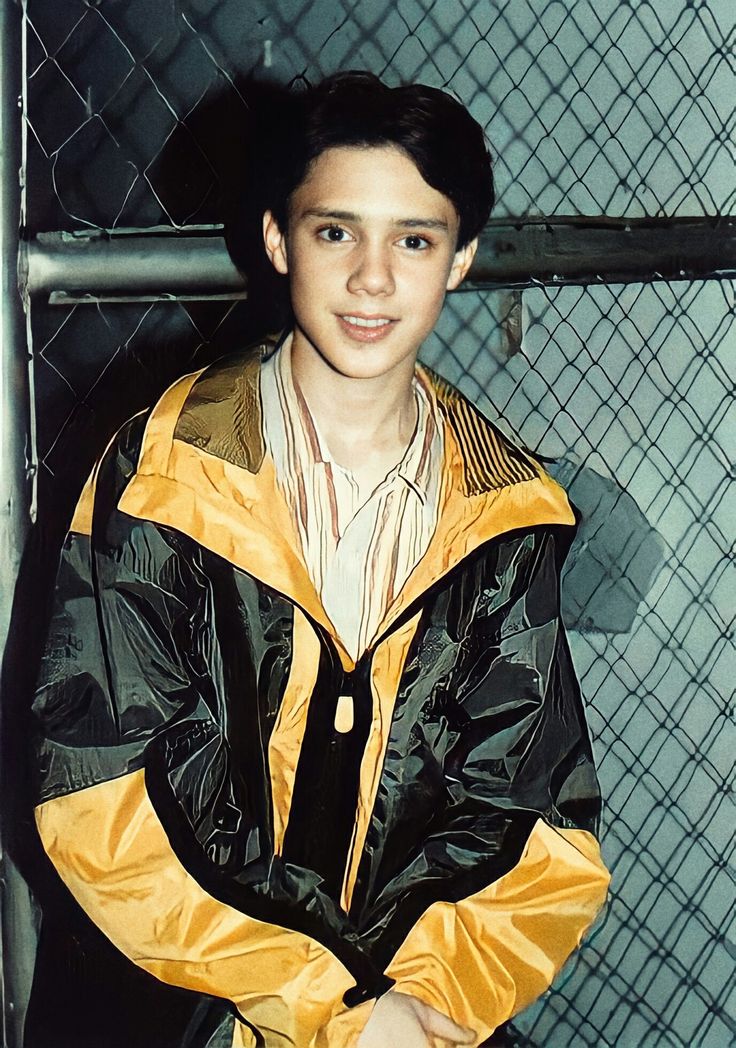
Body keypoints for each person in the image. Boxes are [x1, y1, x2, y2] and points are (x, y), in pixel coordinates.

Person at [31, 72, 610, 1048]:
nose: (373, 278)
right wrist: (330, 1010)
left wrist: (421, 1012)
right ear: (274, 239)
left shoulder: (505, 518)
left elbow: (536, 823)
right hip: (175, 1006)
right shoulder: (165, 476)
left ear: (460, 259)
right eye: (336, 231)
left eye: (414, 239)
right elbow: (97, 794)